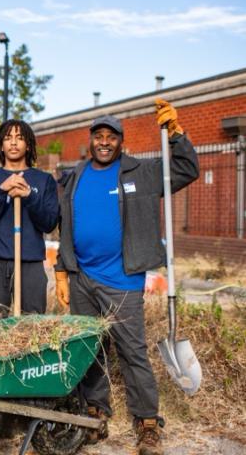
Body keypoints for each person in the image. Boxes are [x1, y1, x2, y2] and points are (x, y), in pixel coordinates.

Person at [53, 100, 199, 455]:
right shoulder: (75, 175)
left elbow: (187, 169)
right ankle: (95, 412)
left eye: (112, 137)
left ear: (121, 141)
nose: (105, 142)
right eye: (99, 136)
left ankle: (147, 423)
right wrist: (61, 268)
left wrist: (176, 134)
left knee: (132, 351)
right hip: (82, 278)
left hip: (122, 279)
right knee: (89, 350)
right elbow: (65, 225)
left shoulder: (142, 172)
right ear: (91, 140)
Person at [0, 119, 59, 318]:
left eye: (19, 138)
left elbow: (49, 224)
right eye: (8, 138)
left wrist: (30, 196)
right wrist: (1, 191)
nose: (13, 143)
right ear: (1, 146)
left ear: (28, 145)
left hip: (30, 263)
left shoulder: (43, 180)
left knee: (32, 328)